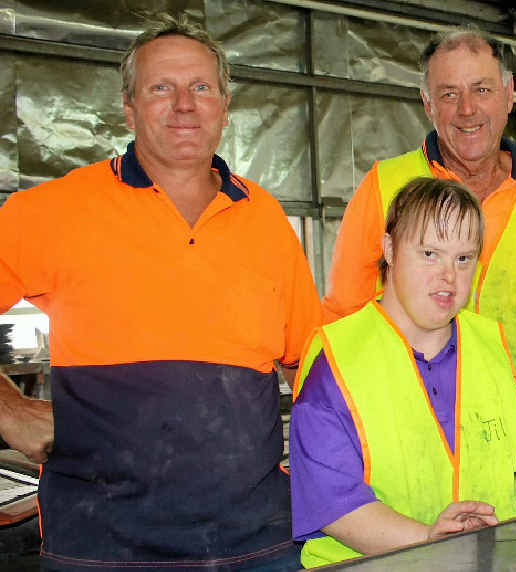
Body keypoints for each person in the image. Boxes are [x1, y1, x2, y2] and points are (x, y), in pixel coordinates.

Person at [0, 14, 321, 570]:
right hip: (101, 546)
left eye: (201, 87)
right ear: (129, 108)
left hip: (257, 543)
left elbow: (311, 363)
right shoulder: (50, 212)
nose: (184, 104)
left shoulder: (264, 217)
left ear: (225, 107)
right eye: (160, 88)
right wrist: (9, 410)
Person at [321, 27, 516, 495]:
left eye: (482, 89)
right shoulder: (384, 187)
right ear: (427, 103)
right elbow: (344, 317)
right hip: (413, 437)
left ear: (510, 95)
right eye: (449, 94)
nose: (467, 109)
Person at [290, 177, 516, 567]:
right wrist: (428, 540)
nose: (449, 275)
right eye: (430, 253)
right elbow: (333, 505)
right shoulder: (338, 360)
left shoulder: (491, 348)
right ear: (390, 249)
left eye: (463, 259)